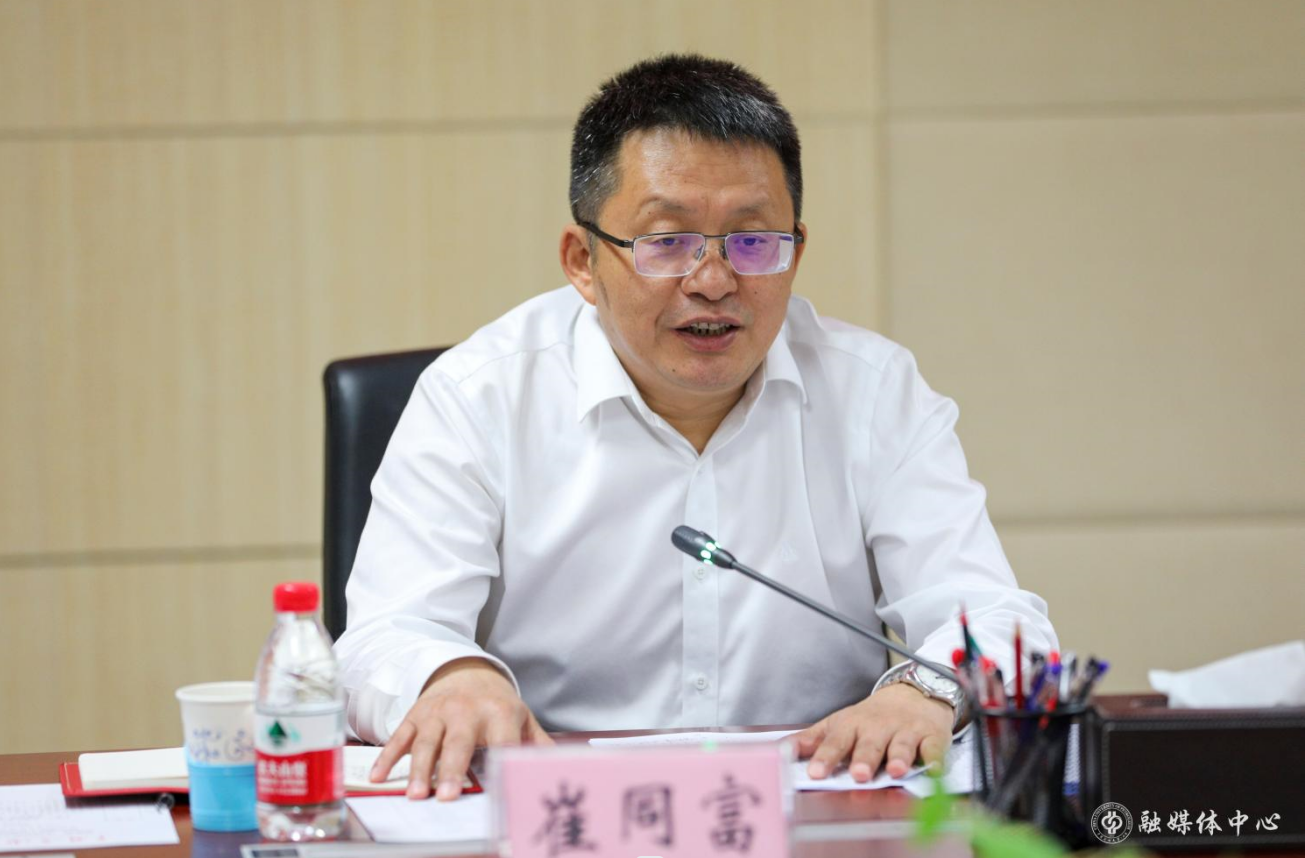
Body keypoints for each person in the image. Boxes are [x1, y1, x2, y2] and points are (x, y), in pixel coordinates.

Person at [336, 54, 1057, 801]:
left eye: (752, 241)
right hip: (562, 814)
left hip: (811, 807)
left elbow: (999, 620)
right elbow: (382, 639)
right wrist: (452, 678)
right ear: (582, 260)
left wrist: (924, 691)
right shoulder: (478, 397)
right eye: (667, 241)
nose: (713, 281)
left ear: (795, 252)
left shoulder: (874, 393)